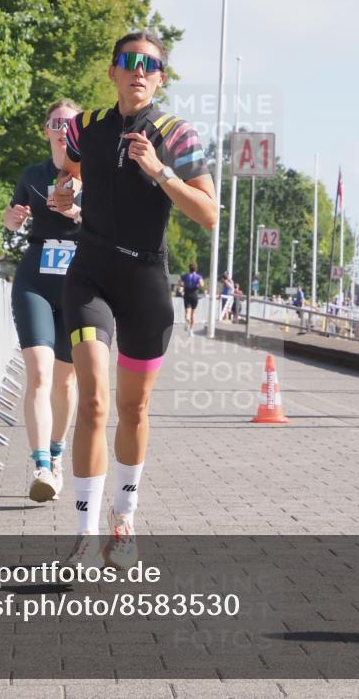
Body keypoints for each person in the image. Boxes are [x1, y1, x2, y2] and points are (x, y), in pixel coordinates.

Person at [56, 30, 217, 567]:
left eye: (150, 65)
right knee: (96, 402)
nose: (138, 71)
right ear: (113, 72)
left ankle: (123, 522)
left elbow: (208, 213)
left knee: (134, 406)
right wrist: (65, 190)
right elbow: (72, 171)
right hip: (91, 275)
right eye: (129, 62)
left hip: (146, 280)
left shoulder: (175, 134)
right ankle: (81, 532)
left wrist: (160, 171)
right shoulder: (86, 128)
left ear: (160, 78)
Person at [4, 99, 83, 502]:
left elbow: (108, 223)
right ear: (47, 130)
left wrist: (77, 214)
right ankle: (41, 466)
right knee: (38, 371)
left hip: (77, 280)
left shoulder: (92, 174)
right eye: (56, 122)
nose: (62, 128)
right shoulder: (33, 174)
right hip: (35, 275)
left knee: (66, 380)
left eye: (70, 123)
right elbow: (12, 214)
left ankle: (57, 452)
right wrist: (12, 218)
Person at [180, 262, 204, 335]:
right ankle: (191, 330)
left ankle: (187, 319)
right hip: (194, 294)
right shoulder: (198, 276)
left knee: (187, 310)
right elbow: (201, 284)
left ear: (189, 268)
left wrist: (183, 286)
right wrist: (197, 286)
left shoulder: (184, 276)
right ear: (196, 269)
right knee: (193, 313)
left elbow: (179, 283)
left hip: (187, 294)